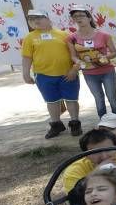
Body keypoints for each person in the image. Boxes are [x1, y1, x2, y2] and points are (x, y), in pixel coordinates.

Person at [21, 9, 82, 138]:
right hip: (43, 75)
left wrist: (74, 70)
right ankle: (56, 125)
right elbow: (27, 57)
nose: (35, 21)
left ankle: (75, 123)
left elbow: (75, 54)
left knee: (71, 99)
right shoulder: (29, 37)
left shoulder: (64, 34)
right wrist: (25, 74)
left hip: (67, 74)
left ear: (48, 19)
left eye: (39, 17)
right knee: (51, 101)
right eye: (32, 19)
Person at [66, 5, 116, 117]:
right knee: (99, 99)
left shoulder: (104, 35)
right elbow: (73, 56)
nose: (78, 18)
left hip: (107, 71)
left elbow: (114, 52)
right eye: (75, 16)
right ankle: (103, 123)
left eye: (81, 15)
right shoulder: (71, 38)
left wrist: (106, 57)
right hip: (89, 74)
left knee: (112, 98)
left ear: (89, 18)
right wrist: (79, 62)